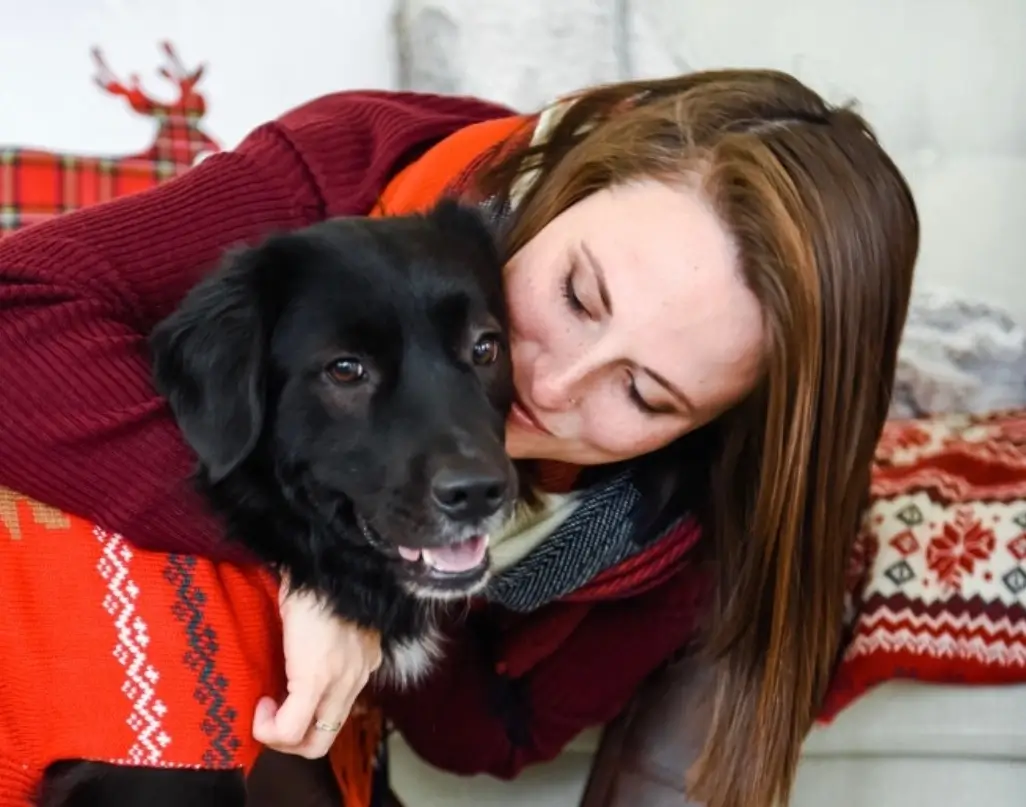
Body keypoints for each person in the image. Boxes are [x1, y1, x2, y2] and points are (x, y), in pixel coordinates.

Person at [0, 69, 919, 807]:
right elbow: (16, 312)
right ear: (563, 188)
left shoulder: (675, 524)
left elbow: (488, 732)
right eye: (576, 295)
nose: (548, 384)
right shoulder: (353, 172)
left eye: (643, 392)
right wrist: (311, 564)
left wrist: (398, 571)